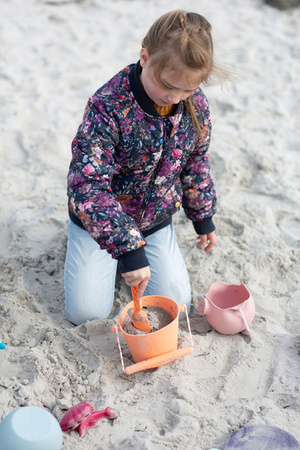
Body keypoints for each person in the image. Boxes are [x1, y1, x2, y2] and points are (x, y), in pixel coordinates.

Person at [64, 9, 221, 326]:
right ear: (145, 57)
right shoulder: (107, 106)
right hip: (103, 221)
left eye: (187, 89)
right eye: (167, 85)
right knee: (86, 314)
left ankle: (137, 254)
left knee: (178, 303)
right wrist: (129, 251)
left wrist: (203, 215)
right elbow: (86, 187)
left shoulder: (194, 104)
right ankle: (82, 243)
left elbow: (196, 162)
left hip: (154, 218)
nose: (175, 97)